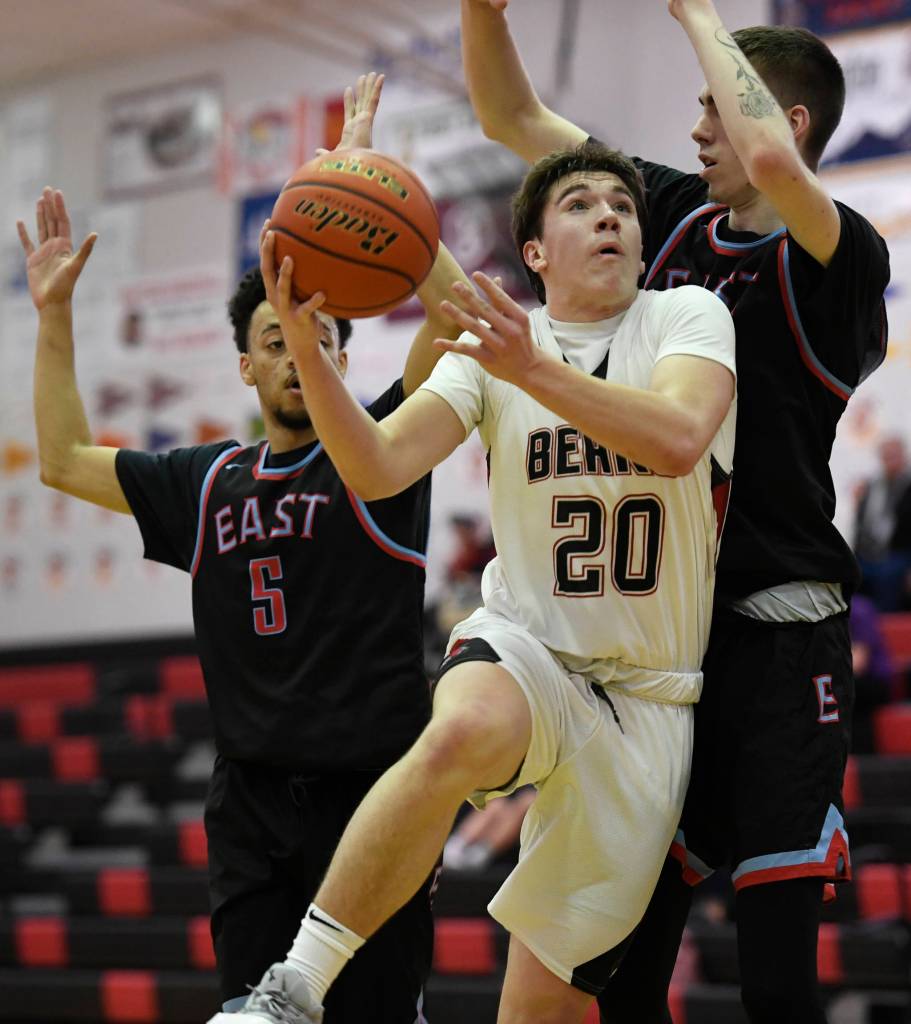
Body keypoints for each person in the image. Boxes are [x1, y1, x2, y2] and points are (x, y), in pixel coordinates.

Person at [219, 140, 736, 1024]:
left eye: (621, 202)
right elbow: (378, 468)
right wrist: (309, 350)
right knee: (461, 730)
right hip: (528, 644)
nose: (609, 212)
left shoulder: (685, 315)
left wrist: (529, 369)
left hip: (650, 698)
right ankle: (294, 986)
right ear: (532, 253)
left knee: (536, 1008)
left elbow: (680, 437)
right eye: (578, 203)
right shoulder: (492, 349)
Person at [460, 1, 891, 1021]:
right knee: (627, 961)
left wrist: (697, 14)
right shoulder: (668, 216)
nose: (695, 130)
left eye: (715, 107)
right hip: (671, 647)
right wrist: (482, 14)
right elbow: (507, 114)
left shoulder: (841, 261)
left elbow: (779, 174)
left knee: (775, 972)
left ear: (782, 123)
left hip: (783, 639)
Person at [20, 74, 473, 1023]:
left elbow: (453, 316)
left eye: (321, 332)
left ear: (344, 355)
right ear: (246, 362)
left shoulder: (387, 449)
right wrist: (54, 316)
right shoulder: (206, 479)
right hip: (251, 809)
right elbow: (61, 460)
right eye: (277, 335)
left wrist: (358, 174)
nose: (299, 347)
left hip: (374, 797)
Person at [853, 435, 911, 611]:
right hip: (868, 554)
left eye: (894, 455)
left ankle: (884, 633)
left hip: (899, 555)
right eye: (886, 456)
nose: (890, 460)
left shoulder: (908, 487)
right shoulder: (871, 487)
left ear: (904, 456)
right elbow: (861, 526)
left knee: (888, 576)